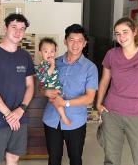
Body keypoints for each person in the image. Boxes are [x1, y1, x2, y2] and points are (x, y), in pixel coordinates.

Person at [96, 17, 138, 165]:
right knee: (111, 159)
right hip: (111, 113)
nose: (121, 37)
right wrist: (99, 104)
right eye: (117, 33)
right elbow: (104, 81)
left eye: (125, 32)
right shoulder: (111, 55)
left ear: (135, 31)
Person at [0, 13, 35, 165]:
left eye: (22, 29)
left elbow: (30, 86)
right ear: (5, 28)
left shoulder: (25, 56)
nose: (18, 32)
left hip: (20, 118)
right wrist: (9, 114)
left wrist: (21, 110)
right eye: (14, 27)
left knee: (13, 158)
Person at [41, 24, 98, 165]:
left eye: (80, 40)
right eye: (72, 39)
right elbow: (42, 86)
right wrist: (45, 91)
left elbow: (90, 98)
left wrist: (65, 103)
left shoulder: (90, 68)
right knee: (53, 159)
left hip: (75, 122)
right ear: (65, 41)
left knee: (75, 159)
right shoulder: (54, 62)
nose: (75, 44)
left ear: (85, 43)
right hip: (52, 120)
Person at [36, 37, 71, 125]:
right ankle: (64, 117)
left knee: (60, 100)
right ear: (40, 53)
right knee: (57, 101)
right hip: (50, 88)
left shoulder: (53, 62)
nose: (49, 54)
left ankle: (64, 115)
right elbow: (47, 75)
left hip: (56, 86)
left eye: (52, 51)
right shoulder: (42, 65)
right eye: (46, 51)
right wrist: (52, 65)